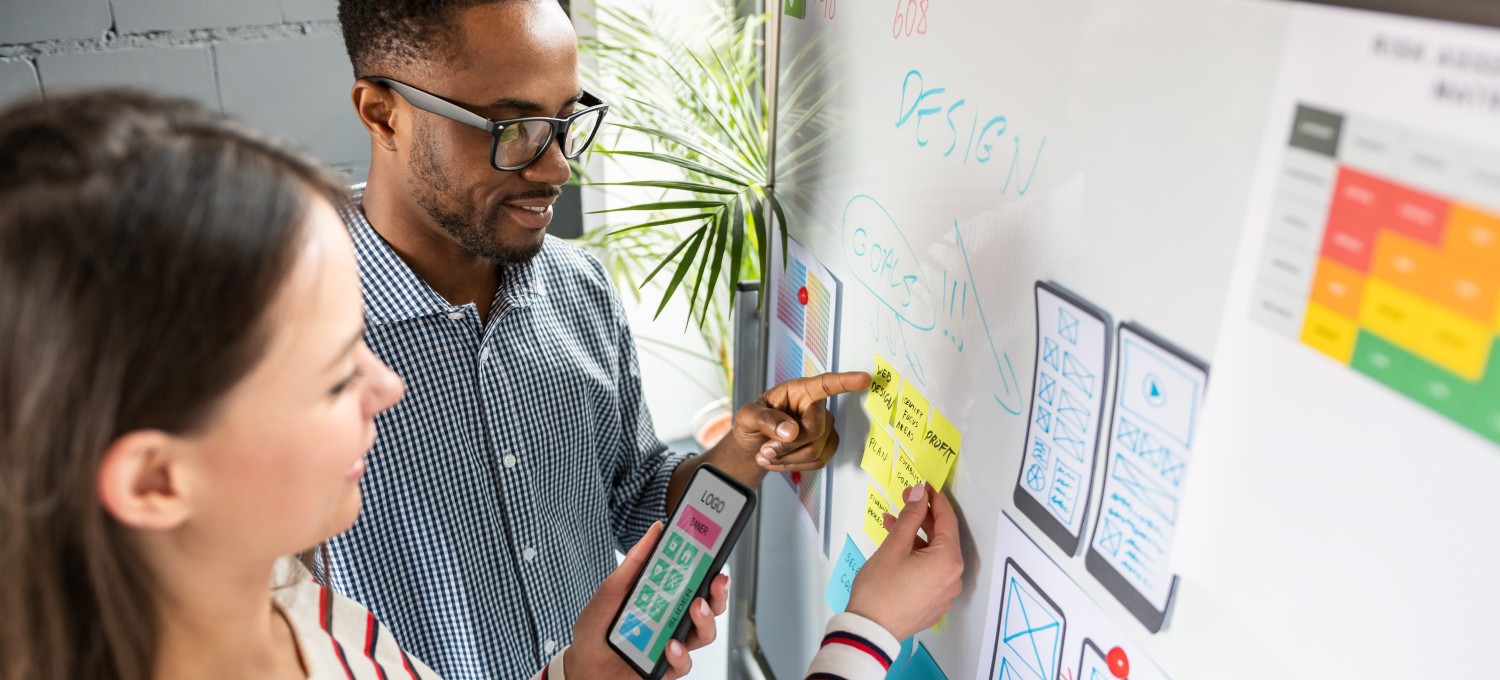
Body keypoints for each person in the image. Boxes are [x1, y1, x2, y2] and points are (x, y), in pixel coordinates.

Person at [332, 0, 870, 676]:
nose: (557, 168)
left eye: (567, 121)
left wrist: (743, 448)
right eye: (515, 127)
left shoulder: (578, 288)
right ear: (384, 113)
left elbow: (635, 493)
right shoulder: (282, 343)